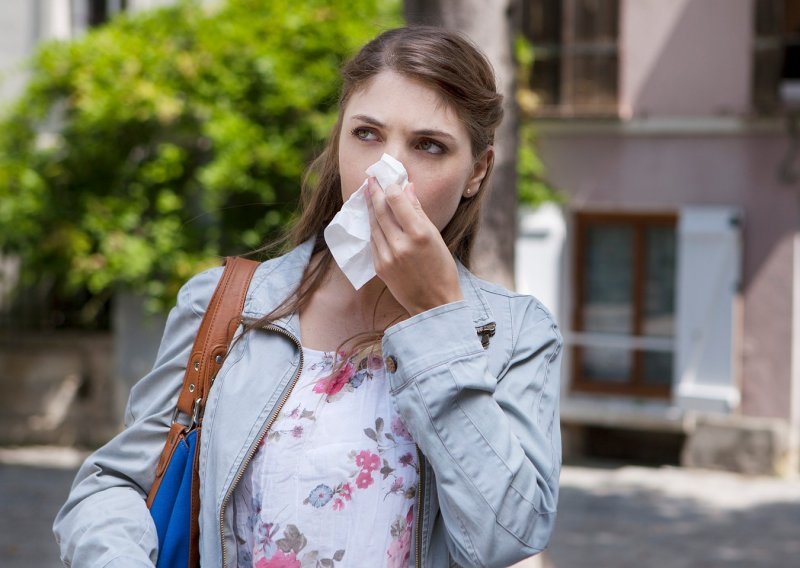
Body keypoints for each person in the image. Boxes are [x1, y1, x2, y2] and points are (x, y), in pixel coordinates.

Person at [54, 25, 563, 568]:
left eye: (428, 146)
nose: (385, 174)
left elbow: (507, 534)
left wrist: (437, 317)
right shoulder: (225, 305)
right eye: (366, 134)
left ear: (476, 173)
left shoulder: (515, 334)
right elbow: (113, 485)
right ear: (338, 139)